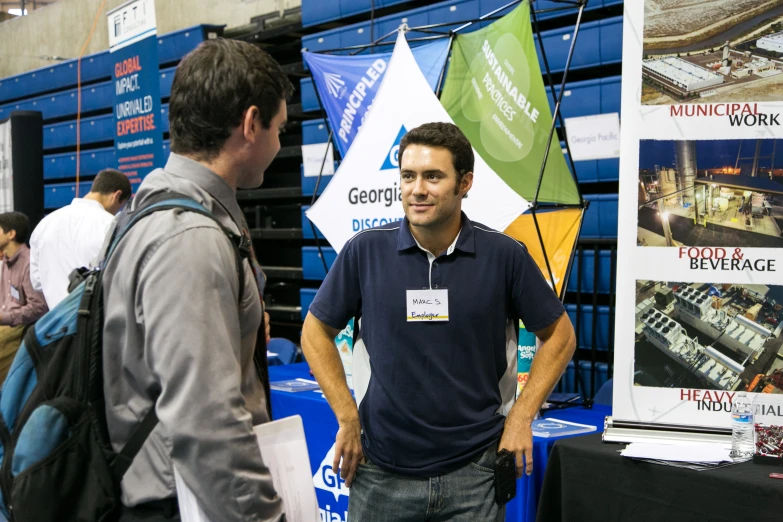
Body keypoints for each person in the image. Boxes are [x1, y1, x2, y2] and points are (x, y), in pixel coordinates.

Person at [301, 122, 577, 521]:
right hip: (380, 473)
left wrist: (520, 417)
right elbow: (314, 332)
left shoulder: (504, 255)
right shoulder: (365, 252)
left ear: (464, 183)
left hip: (474, 475)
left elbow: (560, 337)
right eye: (408, 176)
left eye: (433, 176)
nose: (417, 189)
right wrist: (346, 416)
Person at [101, 38, 293, 522]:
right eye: (279, 129)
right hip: (181, 504)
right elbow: (206, 421)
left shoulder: (150, 208)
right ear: (251, 124)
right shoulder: (189, 237)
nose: (279, 145)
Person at [29, 168, 131, 308]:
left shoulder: (44, 225)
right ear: (116, 196)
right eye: (120, 206)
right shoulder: (109, 224)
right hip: (97, 323)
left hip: (57, 323)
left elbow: (37, 282)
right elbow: (121, 279)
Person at [0, 212, 48, 381]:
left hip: (18, 329)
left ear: (11, 234)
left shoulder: (27, 263)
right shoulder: (6, 261)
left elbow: (39, 307)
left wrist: (4, 318)